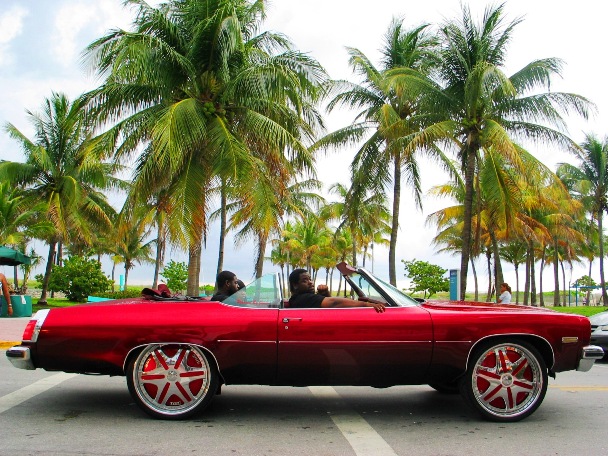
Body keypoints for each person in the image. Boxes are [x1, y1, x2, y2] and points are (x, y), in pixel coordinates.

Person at [288, 269, 385, 313]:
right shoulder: (303, 298)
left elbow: (330, 308)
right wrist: (367, 305)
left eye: (310, 279)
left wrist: (325, 294)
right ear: (295, 285)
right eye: (304, 280)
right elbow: (333, 303)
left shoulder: (300, 299)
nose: (310, 282)